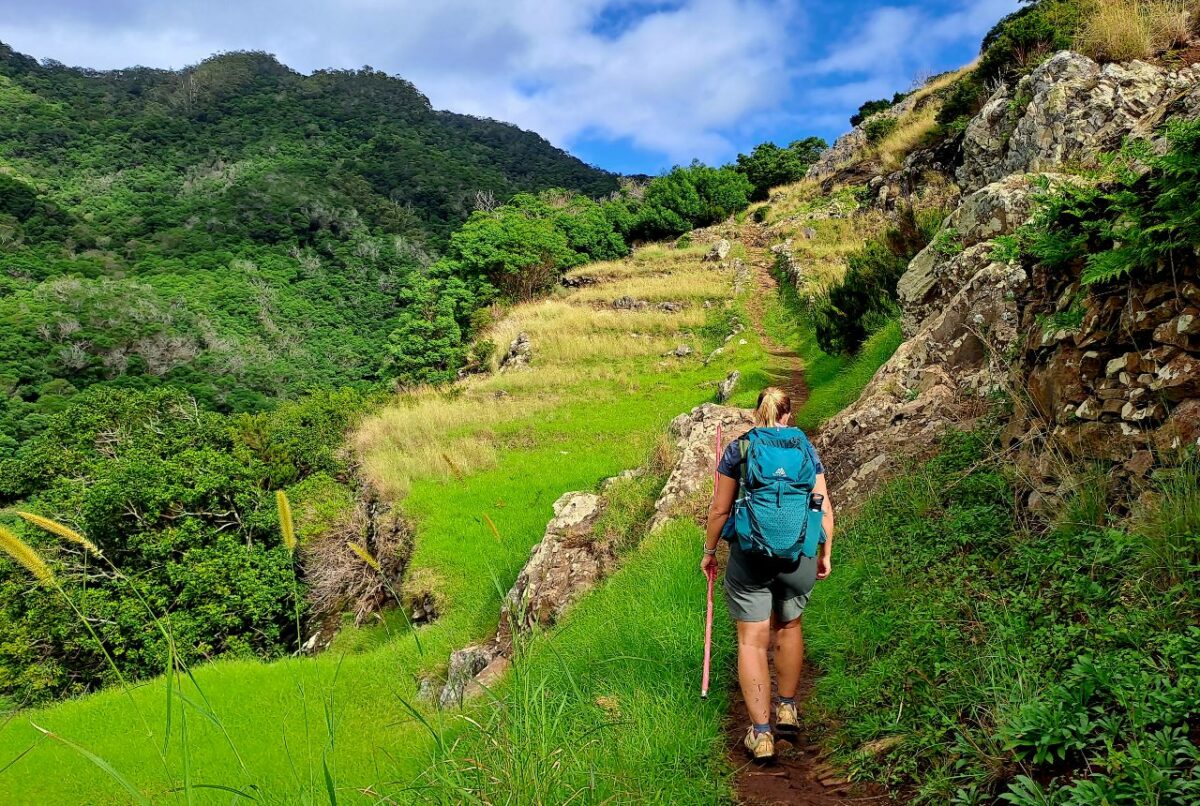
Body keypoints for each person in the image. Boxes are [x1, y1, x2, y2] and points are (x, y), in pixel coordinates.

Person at [701, 387, 834, 761]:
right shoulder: (805, 450)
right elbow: (824, 508)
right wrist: (826, 553)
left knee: (752, 640)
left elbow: (719, 511)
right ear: (788, 415)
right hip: (799, 555)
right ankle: (788, 708)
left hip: (750, 557)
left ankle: (761, 735)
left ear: (756, 413)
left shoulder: (740, 449)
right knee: (790, 626)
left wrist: (709, 553)